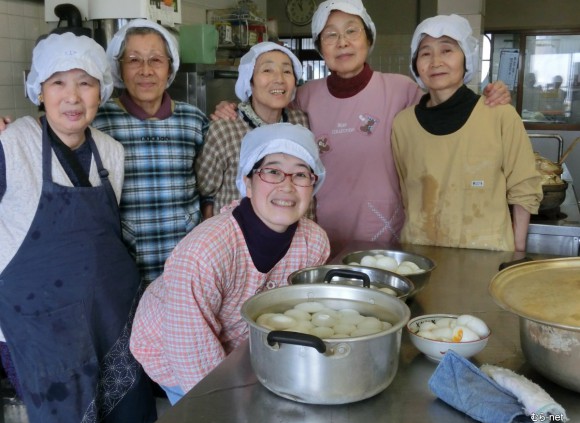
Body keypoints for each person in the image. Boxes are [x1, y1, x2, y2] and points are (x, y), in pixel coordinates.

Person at [211, 0, 511, 255]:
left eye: (351, 31)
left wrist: (487, 96)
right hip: (313, 227)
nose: (342, 42)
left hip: (385, 226)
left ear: (368, 38)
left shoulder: (402, 90)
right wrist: (232, 106)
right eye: (331, 35)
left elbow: (446, 107)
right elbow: (268, 113)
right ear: (320, 48)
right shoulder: (304, 96)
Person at [0, 32, 156, 423]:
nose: (72, 97)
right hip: (39, 328)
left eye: (85, 83)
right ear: (38, 91)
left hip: (109, 321)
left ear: (100, 92)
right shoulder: (11, 144)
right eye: (58, 83)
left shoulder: (111, 152)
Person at [129, 123, 330, 405]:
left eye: (300, 174)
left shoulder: (314, 241)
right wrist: (227, 409)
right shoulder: (204, 253)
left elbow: (300, 314)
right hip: (173, 347)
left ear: (314, 184)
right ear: (247, 182)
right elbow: (191, 355)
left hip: (240, 345)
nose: (287, 185)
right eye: (272, 171)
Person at [0, 19, 209, 288]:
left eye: (156, 60)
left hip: (179, 268)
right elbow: (49, 131)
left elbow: (210, 186)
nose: (146, 70)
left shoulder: (191, 121)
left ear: (170, 67)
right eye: (133, 59)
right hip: (113, 275)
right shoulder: (87, 123)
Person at [391, 14, 543, 252]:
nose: (436, 61)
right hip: (420, 255)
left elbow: (524, 188)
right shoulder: (403, 124)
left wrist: (517, 251)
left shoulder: (499, 115)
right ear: (416, 65)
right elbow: (406, 193)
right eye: (425, 53)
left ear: (467, 58)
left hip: (488, 254)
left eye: (447, 50)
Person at [195, 41, 309, 219]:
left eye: (287, 71)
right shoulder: (225, 129)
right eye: (267, 70)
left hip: (295, 236)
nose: (279, 78)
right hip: (237, 237)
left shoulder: (300, 123)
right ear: (249, 80)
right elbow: (203, 191)